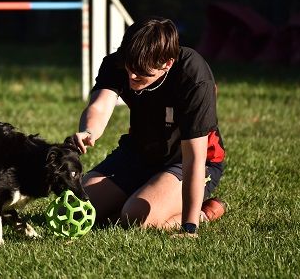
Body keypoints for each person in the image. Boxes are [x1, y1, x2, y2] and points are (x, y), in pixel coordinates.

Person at [73, 16, 226, 236]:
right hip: (139, 153)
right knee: (80, 207)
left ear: (167, 64)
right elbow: (100, 106)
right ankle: (142, 195)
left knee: (135, 217)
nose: (132, 75)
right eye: (129, 67)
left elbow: (195, 156)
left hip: (187, 161)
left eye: (142, 72)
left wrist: (189, 227)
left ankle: (203, 212)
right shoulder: (121, 62)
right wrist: (88, 131)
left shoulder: (193, 76)